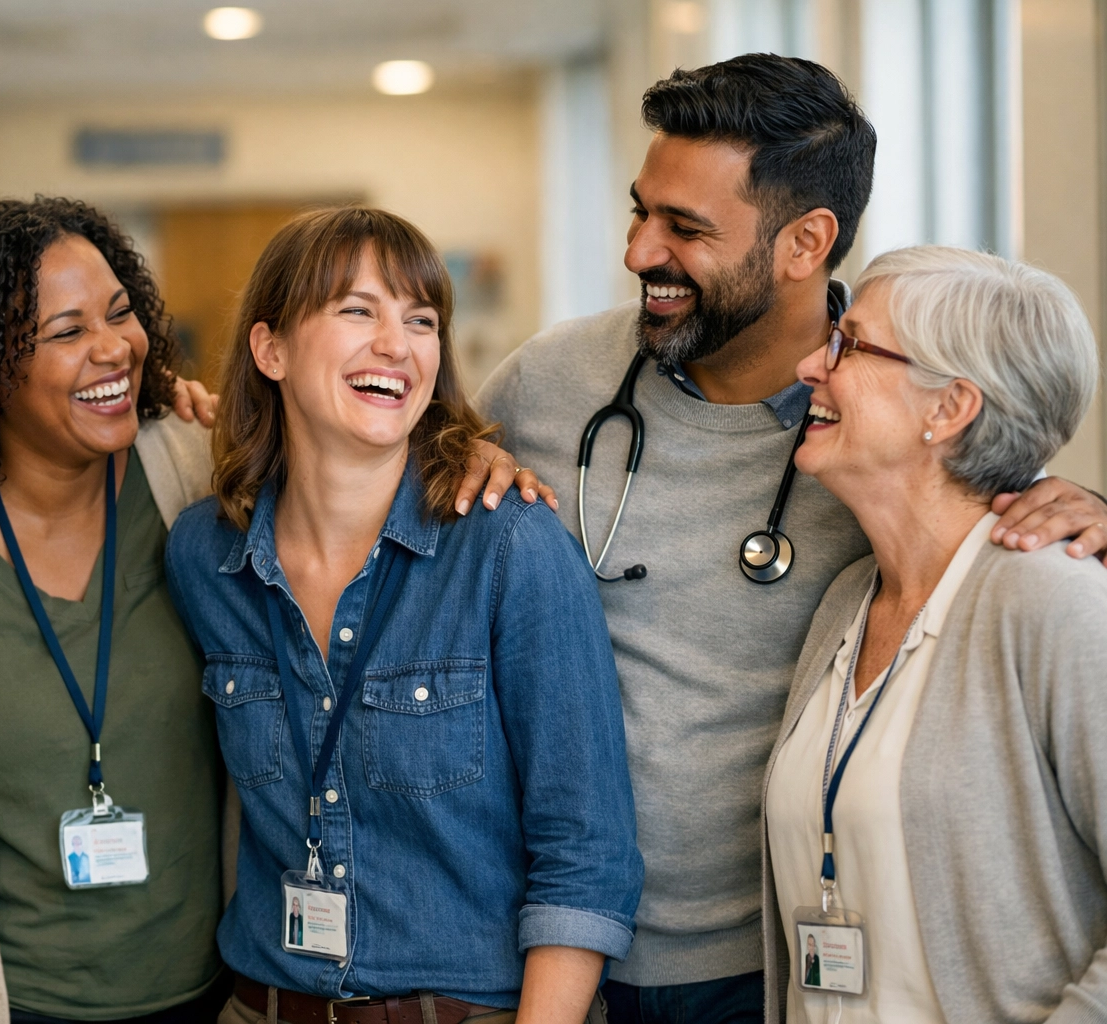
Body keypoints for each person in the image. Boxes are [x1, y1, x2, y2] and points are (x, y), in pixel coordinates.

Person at [475, 54, 1107, 1023]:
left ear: (806, 242)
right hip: (566, 943)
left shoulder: (906, 453)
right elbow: (385, 486)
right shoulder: (550, 383)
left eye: (686, 229)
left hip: (761, 963)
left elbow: (996, 528)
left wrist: (1092, 517)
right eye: (640, 212)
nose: (642, 251)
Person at [0, 197, 547, 1024]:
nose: (115, 348)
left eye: (121, 314)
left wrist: (459, 449)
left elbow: (349, 448)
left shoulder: (191, 473)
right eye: (68, 332)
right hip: (0, 998)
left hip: (214, 994)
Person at [166, 206, 643, 1024]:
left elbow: (586, 853)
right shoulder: (205, 555)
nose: (398, 344)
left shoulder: (509, 549)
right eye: (358, 310)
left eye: (421, 320)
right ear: (269, 348)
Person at [762, 247, 1107, 1022]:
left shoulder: (1055, 605)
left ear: (948, 408)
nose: (813, 365)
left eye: (850, 343)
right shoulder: (849, 601)